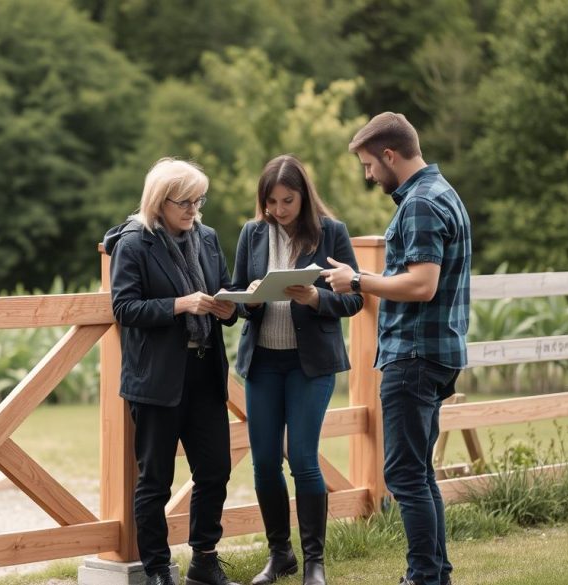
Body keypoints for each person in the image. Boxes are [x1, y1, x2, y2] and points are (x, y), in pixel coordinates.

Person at [323, 112, 471, 585]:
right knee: (420, 474)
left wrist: (357, 280)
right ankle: (436, 574)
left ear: (390, 155)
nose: (368, 175)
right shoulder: (444, 192)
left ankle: (422, 577)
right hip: (438, 355)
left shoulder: (421, 203)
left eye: (369, 165)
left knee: (404, 477)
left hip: (414, 356)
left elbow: (422, 284)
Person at [103, 158, 240, 585]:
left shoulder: (208, 237)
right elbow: (124, 308)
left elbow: (223, 292)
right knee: (156, 481)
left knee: (216, 468)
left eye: (199, 201)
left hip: (204, 372)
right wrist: (182, 304)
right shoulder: (133, 242)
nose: (194, 211)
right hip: (157, 378)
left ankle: (204, 560)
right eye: (185, 202)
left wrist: (230, 305)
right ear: (160, 201)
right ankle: (158, 570)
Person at [232, 155, 363, 585]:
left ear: (304, 196)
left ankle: (315, 563)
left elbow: (353, 298)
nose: (279, 210)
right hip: (263, 362)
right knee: (264, 463)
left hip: (311, 364)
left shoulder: (332, 233)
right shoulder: (252, 234)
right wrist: (247, 300)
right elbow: (236, 294)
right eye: (271, 202)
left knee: (303, 458)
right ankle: (280, 555)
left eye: (287, 201)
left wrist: (315, 299)